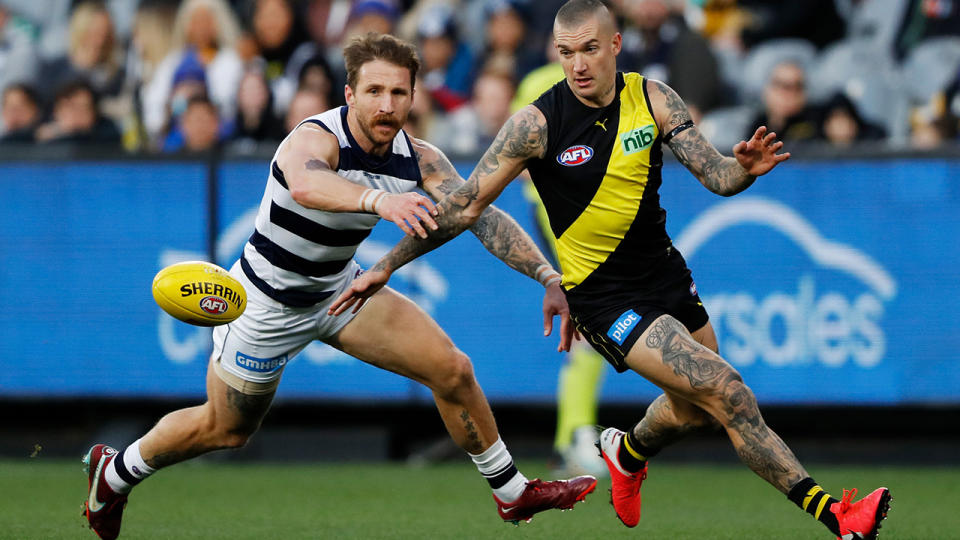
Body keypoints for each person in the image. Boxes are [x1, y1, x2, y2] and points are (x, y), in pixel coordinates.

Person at [329, 2, 892, 538]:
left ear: (615, 45)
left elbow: (717, 176)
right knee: (728, 391)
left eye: (589, 49)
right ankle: (840, 518)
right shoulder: (536, 124)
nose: (577, 64)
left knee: (695, 412)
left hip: (665, 275)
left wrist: (744, 171)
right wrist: (385, 265)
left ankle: (626, 453)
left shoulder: (654, 99)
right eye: (565, 51)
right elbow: (465, 205)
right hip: (603, 299)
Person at [81, 32, 595, 540]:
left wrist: (547, 276)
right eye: (373, 91)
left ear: (413, 97)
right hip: (266, 303)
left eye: (398, 92)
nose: (386, 104)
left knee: (453, 370)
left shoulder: (419, 157)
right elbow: (307, 183)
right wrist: (379, 202)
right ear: (349, 94)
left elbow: (477, 213)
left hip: (340, 292)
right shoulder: (314, 137)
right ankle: (115, 472)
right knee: (227, 429)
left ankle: (511, 493)